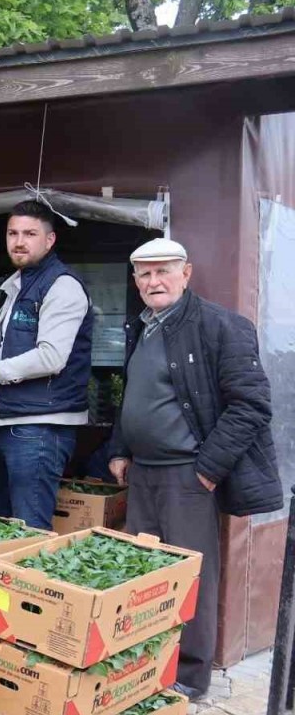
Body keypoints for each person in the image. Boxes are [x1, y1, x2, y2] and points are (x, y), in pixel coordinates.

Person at [109, 239, 281, 701]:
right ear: (135, 281)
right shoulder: (143, 327)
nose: (154, 282)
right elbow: (135, 396)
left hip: (188, 475)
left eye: (163, 271)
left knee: (190, 577)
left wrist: (207, 469)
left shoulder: (221, 325)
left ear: (186, 273)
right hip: (144, 474)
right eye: (144, 274)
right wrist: (120, 448)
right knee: (143, 574)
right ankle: (147, 667)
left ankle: (189, 678)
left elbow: (252, 405)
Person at [0, 200, 93, 530]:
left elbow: (51, 356)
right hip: (10, 422)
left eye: (30, 234)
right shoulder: (17, 286)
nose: (19, 242)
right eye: (13, 233)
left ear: (50, 240)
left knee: (29, 532)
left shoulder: (62, 285)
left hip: (40, 427)